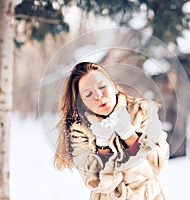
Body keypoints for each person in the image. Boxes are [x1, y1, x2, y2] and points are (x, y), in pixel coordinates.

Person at [54, 62, 169, 199]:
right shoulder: (79, 132)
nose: (98, 96)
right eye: (88, 94)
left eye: (102, 86)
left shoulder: (142, 110)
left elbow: (156, 164)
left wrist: (128, 133)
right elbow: (96, 181)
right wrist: (103, 144)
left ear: (114, 87)